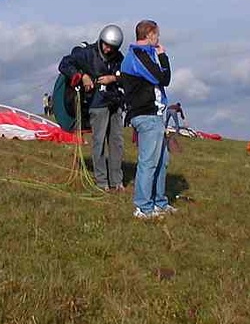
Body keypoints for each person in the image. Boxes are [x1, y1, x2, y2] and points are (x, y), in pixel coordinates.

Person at [59, 24, 125, 192]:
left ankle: (117, 181)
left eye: (112, 47)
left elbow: (126, 77)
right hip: (97, 104)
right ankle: (102, 181)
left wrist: (114, 79)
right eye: (105, 44)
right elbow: (65, 63)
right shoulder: (87, 54)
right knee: (99, 142)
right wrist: (82, 76)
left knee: (116, 143)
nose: (107, 49)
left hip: (115, 103)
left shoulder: (119, 58)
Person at [121, 19, 174, 218]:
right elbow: (162, 79)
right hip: (145, 114)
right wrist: (163, 57)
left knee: (161, 161)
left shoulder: (147, 55)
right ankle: (143, 207)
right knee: (148, 162)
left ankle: (159, 202)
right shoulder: (138, 55)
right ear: (149, 34)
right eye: (156, 34)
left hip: (156, 115)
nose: (158, 38)